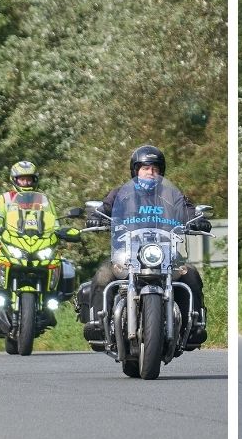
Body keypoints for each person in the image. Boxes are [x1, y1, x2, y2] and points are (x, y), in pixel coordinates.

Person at [84, 144, 212, 348]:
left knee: (191, 275)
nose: (150, 172)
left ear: (161, 171)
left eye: (155, 168)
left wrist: (197, 218)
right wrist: (96, 217)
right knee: (103, 275)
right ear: (136, 170)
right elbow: (105, 208)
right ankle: (97, 324)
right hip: (127, 253)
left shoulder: (171, 193)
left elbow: (187, 209)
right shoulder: (121, 193)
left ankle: (194, 325)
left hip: (166, 253)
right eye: (145, 168)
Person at [0, 161, 57, 232]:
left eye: (29, 179)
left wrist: (62, 231)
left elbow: (55, 224)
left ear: (34, 180)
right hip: (8, 243)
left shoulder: (44, 200)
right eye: (22, 179)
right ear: (14, 180)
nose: (26, 182)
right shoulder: (3, 200)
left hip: (41, 243)